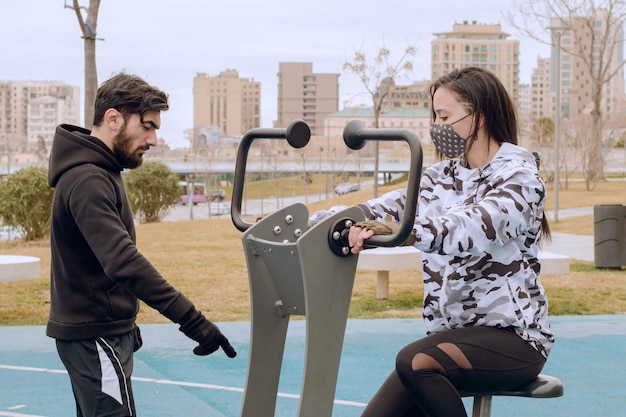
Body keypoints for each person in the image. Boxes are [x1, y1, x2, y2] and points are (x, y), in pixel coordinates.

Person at [319, 66, 554, 417]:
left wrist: (410, 232)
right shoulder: (440, 178)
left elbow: (477, 225)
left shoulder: (520, 177)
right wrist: (304, 224)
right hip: (451, 338)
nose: (437, 127)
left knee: (415, 362)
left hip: (514, 339)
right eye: (435, 116)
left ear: (480, 116)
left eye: (444, 116)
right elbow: (379, 208)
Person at [47, 72, 236, 417]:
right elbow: (123, 261)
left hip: (101, 333)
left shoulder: (101, 172)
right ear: (113, 118)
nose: (153, 139)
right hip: (95, 337)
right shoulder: (88, 179)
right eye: (147, 126)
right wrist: (193, 321)